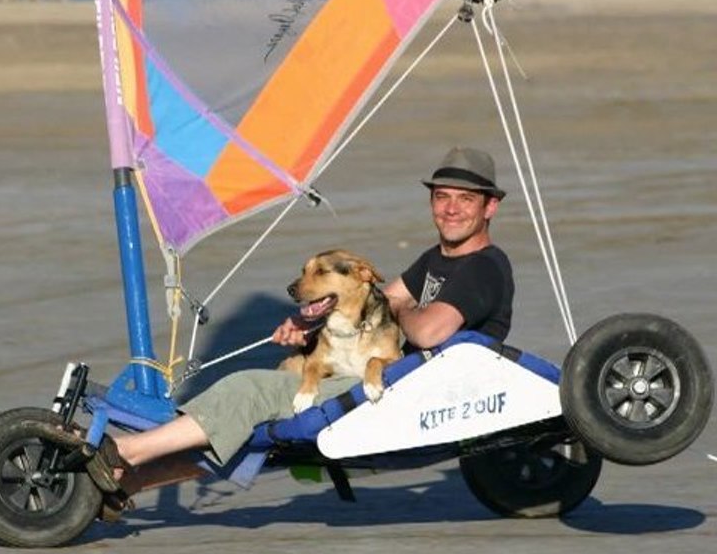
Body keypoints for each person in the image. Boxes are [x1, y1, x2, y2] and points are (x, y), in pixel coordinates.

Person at [88, 146, 515, 510]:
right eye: (442, 197)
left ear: (489, 206)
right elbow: (382, 298)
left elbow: (426, 332)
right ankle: (130, 482)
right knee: (255, 419)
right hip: (395, 378)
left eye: (465, 199)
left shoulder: (483, 269)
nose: (451, 209)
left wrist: (397, 307)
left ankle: (125, 452)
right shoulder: (436, 259)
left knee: (249, 392)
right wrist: (308, 324)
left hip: (417, 393)